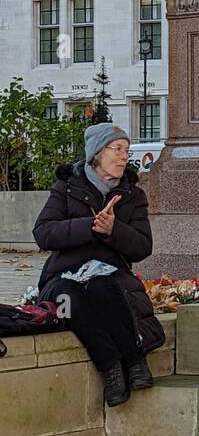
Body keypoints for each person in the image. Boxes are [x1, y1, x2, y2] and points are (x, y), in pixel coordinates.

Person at [32, 124, 163, 407]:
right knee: (69, 298)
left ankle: (135, 362)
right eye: (117, 149)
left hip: (109, 273)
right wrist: (91, 226)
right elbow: (43, 233)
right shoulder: (67, 187)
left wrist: (113, 230)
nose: (123, 157)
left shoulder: (133, 195)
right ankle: (113, 368)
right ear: (96, 153)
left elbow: (142, 247)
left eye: (126, 151)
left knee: (105, 290)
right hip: (63, 273)